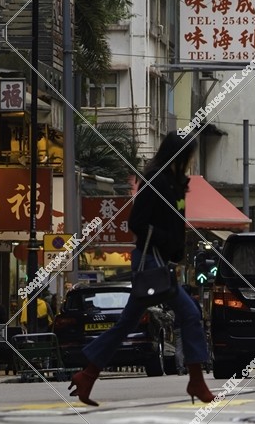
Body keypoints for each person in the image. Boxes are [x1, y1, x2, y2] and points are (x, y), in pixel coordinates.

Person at [70, 131, 215, 406]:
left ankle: (87, 375)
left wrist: (175, 247)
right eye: (190, 155)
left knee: (127, 323)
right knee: (190, 313)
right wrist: (167, 241)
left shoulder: (174, 183)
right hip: (151, 262)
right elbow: (136, 222)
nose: (192, 161)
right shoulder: (156, 180)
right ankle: (196, 381)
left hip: (158, 260)